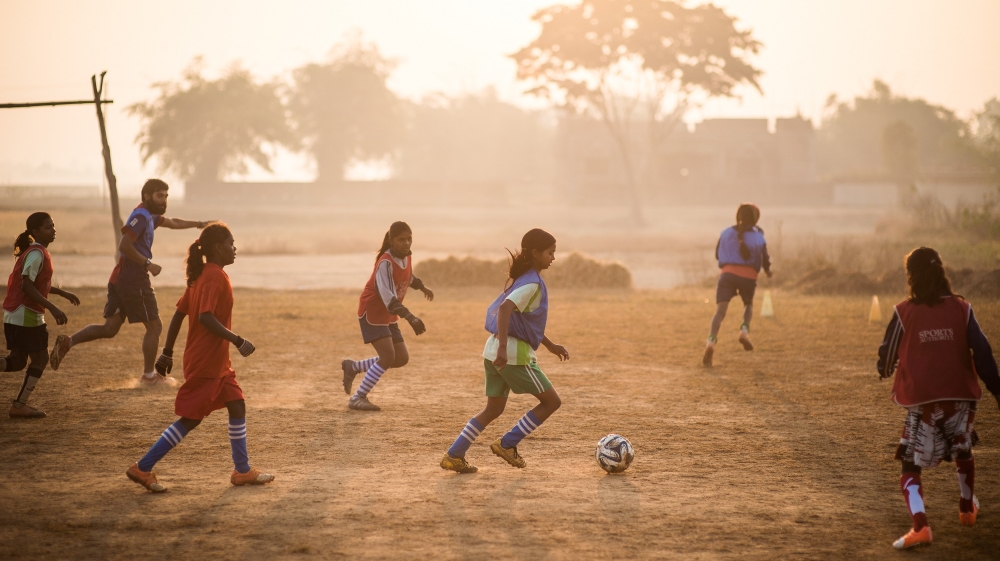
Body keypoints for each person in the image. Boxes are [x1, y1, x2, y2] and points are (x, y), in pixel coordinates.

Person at [126, 223, 273, 492]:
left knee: (237, 404)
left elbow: (180, 313)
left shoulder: (202, 274)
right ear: (218, 248)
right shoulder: (214, 276)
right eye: (231, 243)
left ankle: (242, 471)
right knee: (191, 418)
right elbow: (204, 317)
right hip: (206, 361)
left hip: (217, 362)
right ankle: (143, 467)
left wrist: (168, 351)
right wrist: (238, 340)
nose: (235, 248)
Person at [877, 247, 1000, 549]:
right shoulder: (962, 308)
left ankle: (921, 527)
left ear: (911, 276)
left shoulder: (905, 311)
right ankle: (967, 508)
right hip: (961, 398)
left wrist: (885, 366)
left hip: (924, 401)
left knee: (910, 463)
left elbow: (887, 354)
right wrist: (999, 392)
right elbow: (983, 353)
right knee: (962, 445)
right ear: (942, 272)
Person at [49, 179, 208, 384]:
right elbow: (124, 245)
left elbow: (173, 222)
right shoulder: (141, 217)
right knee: (155, 327)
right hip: (133, 279)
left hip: (119, 278)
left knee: (110, 329)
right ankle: (149, 376)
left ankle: (68, 342)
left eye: (166, 196)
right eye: (160, 196)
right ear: (147, 196)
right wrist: (147, 263)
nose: (164, 200)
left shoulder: (149, 215)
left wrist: (198, 224)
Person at [440, 228, 569, 473]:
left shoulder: (524, 279)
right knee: (551, 402)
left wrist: (550, 346)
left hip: (492, 353)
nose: (553, 258)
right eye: (550, 253)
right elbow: (505, 309)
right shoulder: (532, 283)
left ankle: (454, 455)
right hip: (511, 356)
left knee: (494, 408)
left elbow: (522, 321)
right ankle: (508, 444)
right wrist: (503, 349)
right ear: (535, 253)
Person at [341, 221, 433, 411]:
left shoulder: (405, 257)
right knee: (387, 355)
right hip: (374, 311)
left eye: (409, 238)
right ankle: (358, 397)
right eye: (401, 240)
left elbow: (408, 277)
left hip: (388, 313)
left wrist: (422, 286)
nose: (406, 243)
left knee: (400, 358)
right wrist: (411, 317)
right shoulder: (385, 263)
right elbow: (389, 298)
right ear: (391, 241)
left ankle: (354, 367)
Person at [2, 212, 79, 418]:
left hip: (15, 314)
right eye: (48, 227)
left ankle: (19, 405)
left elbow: (36, 283)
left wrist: (62, 292)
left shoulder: (37, 252)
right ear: (35, 232)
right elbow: (27, 286)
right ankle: (19, 406)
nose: (53, 229)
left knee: (17, 362)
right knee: (41, 358)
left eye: (53, 226)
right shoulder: (36, 253)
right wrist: (53, 308)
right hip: (25, 315)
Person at [703, 203, 772, 367]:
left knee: (720, 312)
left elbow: (716, 254)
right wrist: (768, 270)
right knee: (748, 304)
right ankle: (744, 331)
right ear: (756, 219)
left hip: (727, 274)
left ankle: (711, 342)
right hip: (748, 276)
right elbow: (765, 257)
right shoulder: (758, 235)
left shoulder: (726, 233)